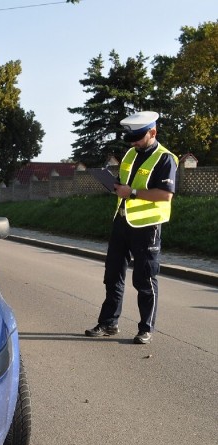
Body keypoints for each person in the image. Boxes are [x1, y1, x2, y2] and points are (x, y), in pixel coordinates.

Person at [86, 111, 178, 345]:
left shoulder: (165, 159)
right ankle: (109, 323)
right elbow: (124, 182)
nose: (134, 142)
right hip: (122, 221)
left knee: (145, 279)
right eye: (131, 138)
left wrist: (133, 193)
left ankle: (145, 328)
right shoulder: (130, 153)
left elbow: (166, 195)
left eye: (138, 137)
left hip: (147, 227)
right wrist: (115, 185)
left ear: (153, 132)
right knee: (112, 275)